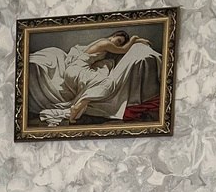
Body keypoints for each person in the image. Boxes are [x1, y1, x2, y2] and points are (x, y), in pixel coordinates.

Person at [25, 28, 162, 127]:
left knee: (103, 80)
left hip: (74, 70)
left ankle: (77, 108)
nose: (117, 44)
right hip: (78, 70)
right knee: (107, 84)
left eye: (120, 43)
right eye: (118, 40)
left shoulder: (101, 44)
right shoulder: (105, 43)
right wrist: (134, 40)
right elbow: (123, 50)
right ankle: (79, 104)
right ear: (113, 36)